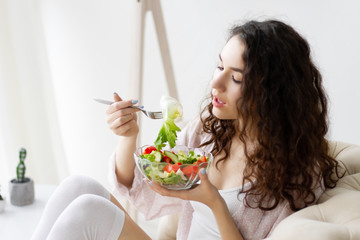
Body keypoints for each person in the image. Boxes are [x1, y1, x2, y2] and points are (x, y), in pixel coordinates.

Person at [31, 19, 342, 240]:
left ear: (272, 92)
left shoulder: (296, 173)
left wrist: (214, 202)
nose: (215, 83)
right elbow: (146, 197)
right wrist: (129, 138)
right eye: (220, 66)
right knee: (78, 186)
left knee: (89, 211)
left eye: (235, 78)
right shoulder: (209, 131)